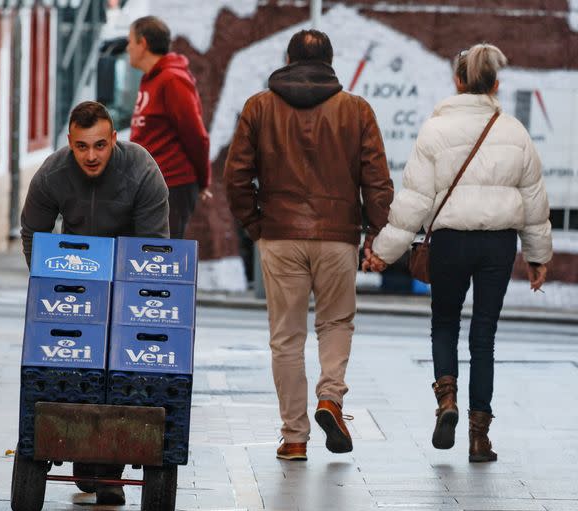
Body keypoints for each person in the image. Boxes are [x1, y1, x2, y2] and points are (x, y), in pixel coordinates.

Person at [365, 44, 552, 463]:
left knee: (445, 322)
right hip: (498, 243)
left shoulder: (435, 131)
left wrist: (383, 251)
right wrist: (538, 256)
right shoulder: (515, 131)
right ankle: (479, 437)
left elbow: (413, 202)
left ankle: (445, 400)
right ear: (495, 85)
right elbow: (534, 201)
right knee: (483, 334)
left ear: (458, 81)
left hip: (449, 241)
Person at [224, 30, 393, 461]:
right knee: (335, 323)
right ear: (330, 62)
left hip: (279, 234)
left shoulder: (259, 106)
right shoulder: (356, 110)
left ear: (288, 59)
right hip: (338, 236)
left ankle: (295, 437)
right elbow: (376, 180)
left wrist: (254, 223)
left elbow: (236, 175)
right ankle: (330, 398)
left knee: (286, 339)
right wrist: (376, 232)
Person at [21, 101, 169, 504]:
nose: (91, 156)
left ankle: (108, 468)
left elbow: (154, 246)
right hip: (77, 277)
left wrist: (129, 299)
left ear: (114, 140)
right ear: (69, 141)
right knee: (73, 363)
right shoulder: (53, 172)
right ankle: (84, 453)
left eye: (100, 146)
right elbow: (33, 229)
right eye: (82, 146)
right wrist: (49, 282)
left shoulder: (141, 170)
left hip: (129, 280)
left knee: (123, 370)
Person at [127, 15, 212, 238]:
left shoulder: (172, 80)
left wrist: (203, 181)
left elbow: (196, 136)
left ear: (143, 43)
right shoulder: (150, 79)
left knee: (161, 260)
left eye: (130, 42)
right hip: (147, 182)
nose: (127, 48)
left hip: (171, 184)